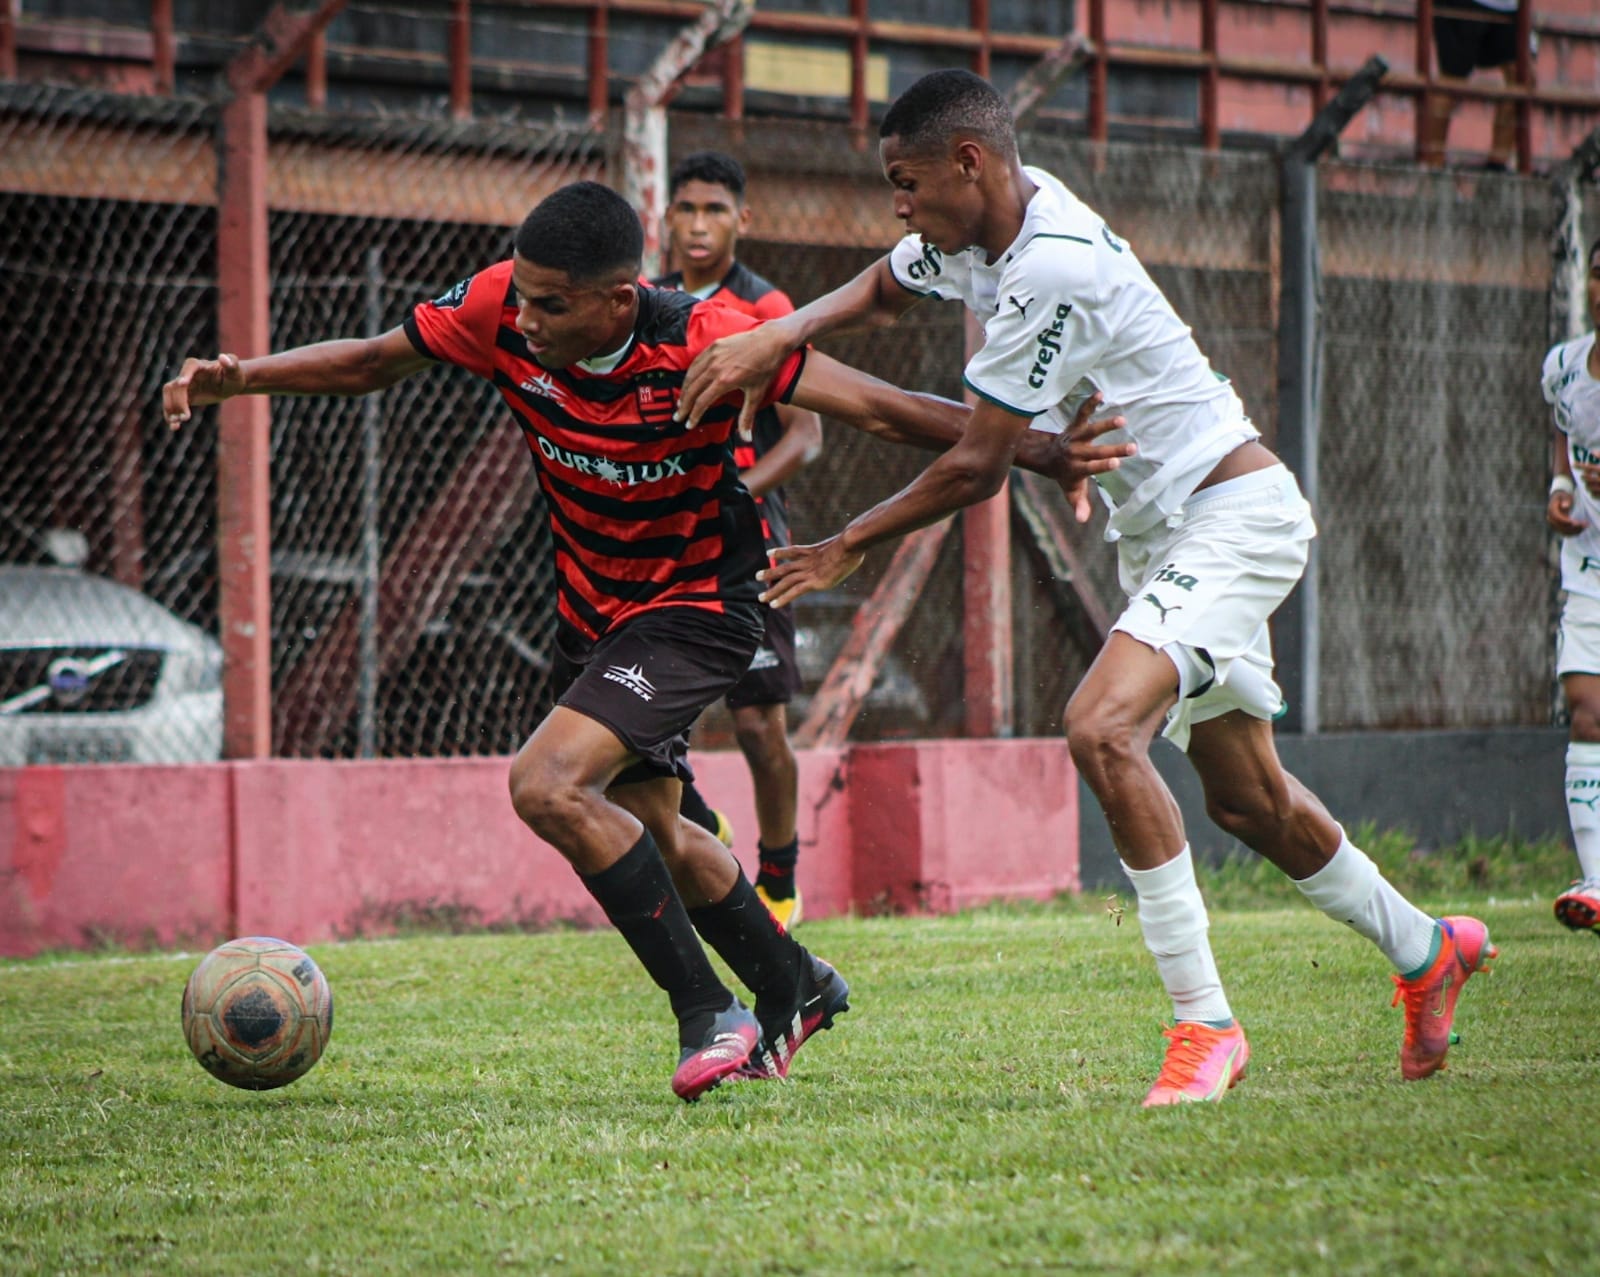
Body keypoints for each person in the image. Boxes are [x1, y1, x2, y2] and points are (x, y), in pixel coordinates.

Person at [162, 179, 1126, 1101]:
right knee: (662, 831)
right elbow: (377, 358)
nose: (525, 324)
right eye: (523, 299)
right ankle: (795, 982)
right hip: (593, 612)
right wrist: (241, 378)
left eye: (551, 306)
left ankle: (711, 1012)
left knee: (546, 784)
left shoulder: (711, 338)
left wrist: (1039, 448)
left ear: (620, 299)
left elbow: (872, 403)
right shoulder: (503, 307)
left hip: (703, 600)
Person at [675, 69, 1498, 1106]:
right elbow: (884, 285)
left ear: (966, 163)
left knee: (1101, 728)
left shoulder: (1048, 266)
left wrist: (848, 540)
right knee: (1247, 799)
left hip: (1231, 516)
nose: (897, 202)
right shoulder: (992, 227)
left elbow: (979, 460)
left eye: (905, 180)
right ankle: (1428, 949)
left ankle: (1205, 1025)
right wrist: (780, 331)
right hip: (1161, 535)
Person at [653, 150, 823, 930]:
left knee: (758, 722)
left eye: (714, 210)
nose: (697, 225)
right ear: (664, 214)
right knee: (641, 710)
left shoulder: (765, 306)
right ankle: (698, 817)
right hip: (660, 541)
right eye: (685, 208)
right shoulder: (645, 303)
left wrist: (727, 494)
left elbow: (807, 439)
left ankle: (779, 879)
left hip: (750, 541)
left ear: (740, 219)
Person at [1543, 236, 1600, 937]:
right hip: (1588, 565)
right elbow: (1564, 429)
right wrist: (1562, 485)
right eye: (1598, 273)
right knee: (1586, 707)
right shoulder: (1563, 365)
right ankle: (1594, 879)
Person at [1419, 0, 1521, 171]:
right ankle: (1432, 164)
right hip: (1465, 4)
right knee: (1452, 78)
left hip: (1510, 7)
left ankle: (1497, 165)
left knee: (1523, 78)